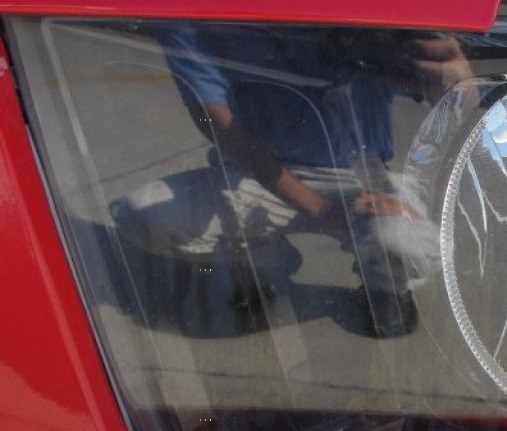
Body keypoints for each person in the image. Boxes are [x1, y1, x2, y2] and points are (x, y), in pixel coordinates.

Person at [112, 22, 471, 337]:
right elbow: (218, 124)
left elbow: (447, 96)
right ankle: (263, 262)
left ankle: (386, 287)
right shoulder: (198, 7)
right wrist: (318, 208)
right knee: (143, 216)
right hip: (252, 170)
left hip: (360, 170)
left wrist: (454, 79)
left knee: (401, 242)